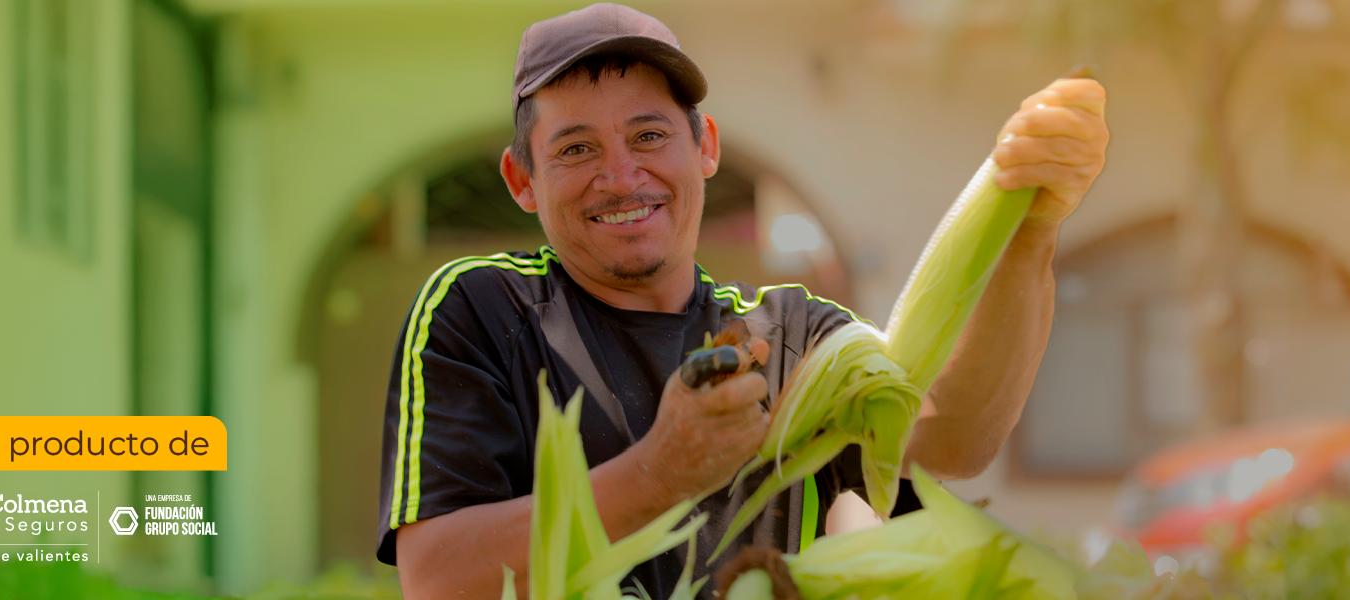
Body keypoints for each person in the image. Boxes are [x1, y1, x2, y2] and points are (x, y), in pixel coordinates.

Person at [374, 3, 1109, 597]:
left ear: (706, 148)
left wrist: (1030, 234)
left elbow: (954, 437)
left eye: (649, 134)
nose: (622, 176)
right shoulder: (483, 311)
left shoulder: (790, 335)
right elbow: (438, 578)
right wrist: (662, 472)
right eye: (575, 149)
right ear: (522, 179)